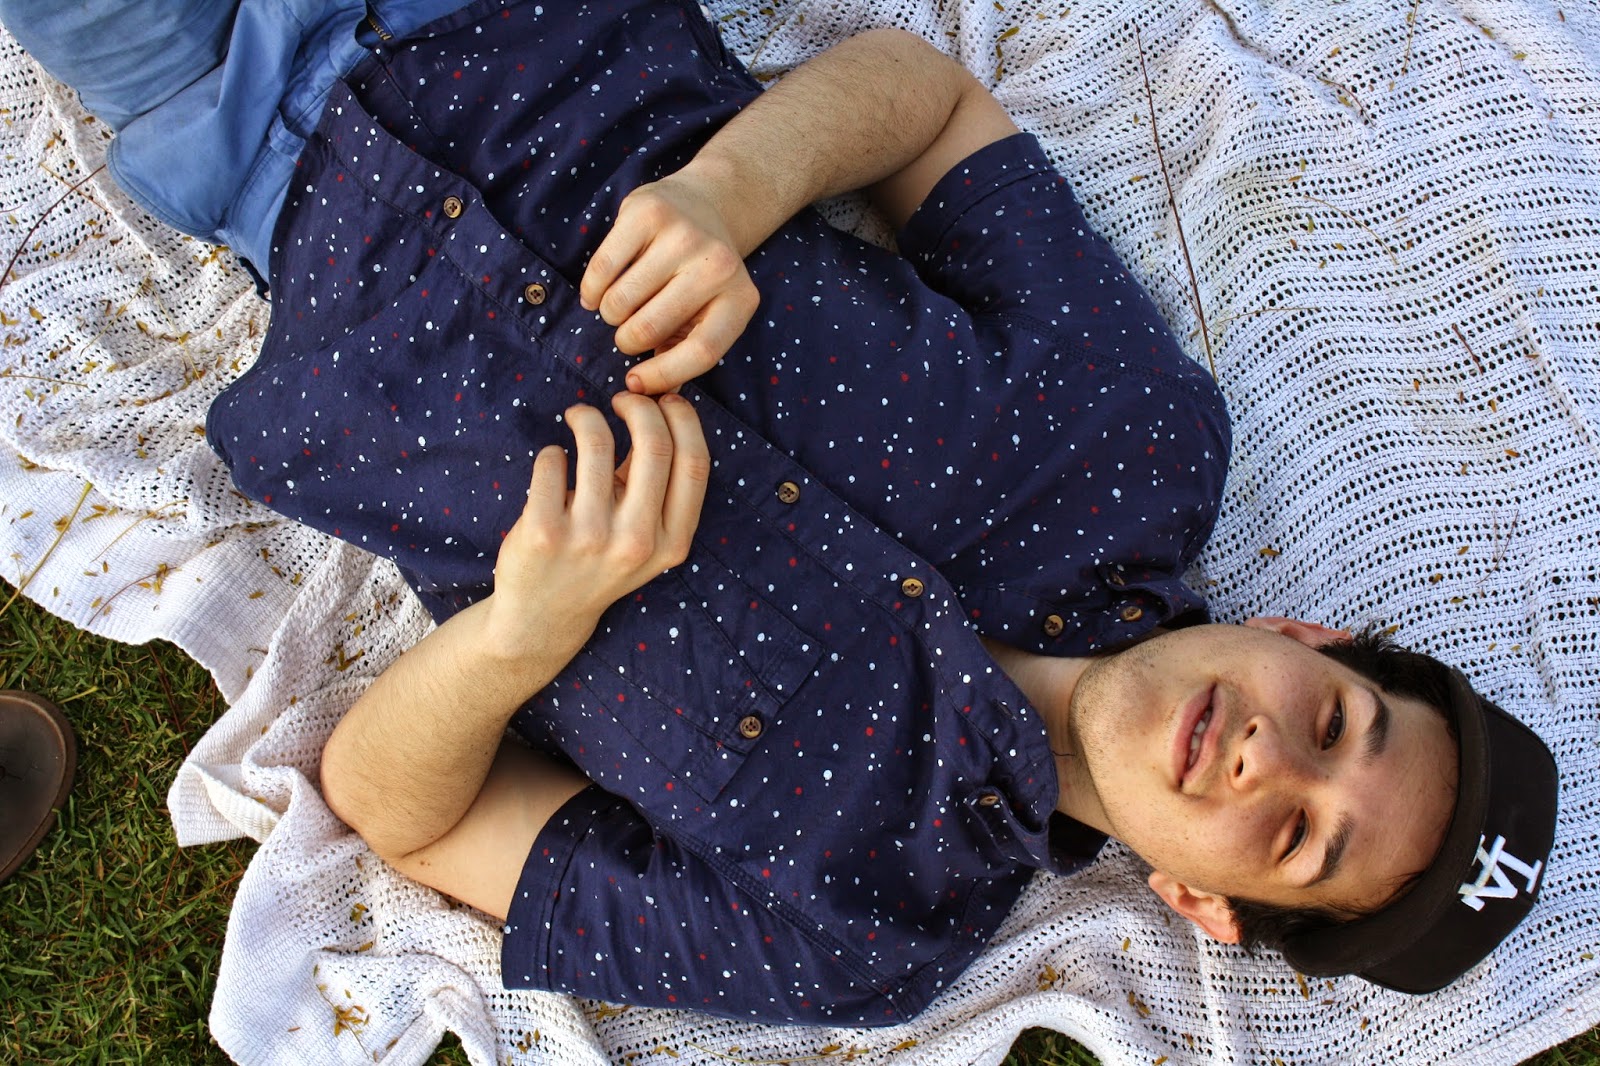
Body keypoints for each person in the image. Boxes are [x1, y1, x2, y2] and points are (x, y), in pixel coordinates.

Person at [1, 0, 1558, 1027]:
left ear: (1204, 901)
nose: (1269, 756)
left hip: (252, 163)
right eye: (1338, 721)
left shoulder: (857, 925)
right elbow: (927, 102)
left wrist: (520, 632)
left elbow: (400, 810)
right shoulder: (1136, 444)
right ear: (1308, 637)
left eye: (1294, 835)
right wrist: (731, 191)